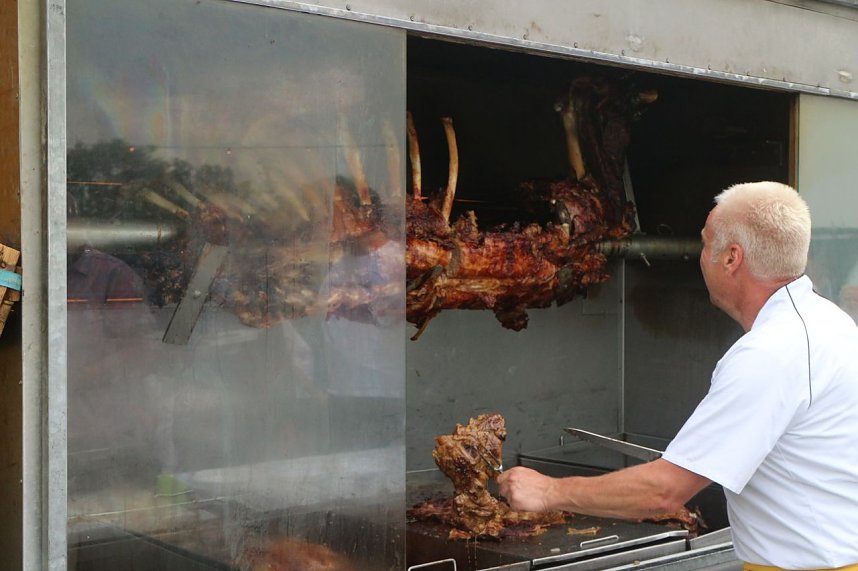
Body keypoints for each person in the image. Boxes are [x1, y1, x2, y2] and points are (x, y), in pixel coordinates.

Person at [498, 181, 858, 570]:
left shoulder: (771, 353)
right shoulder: (828, 322)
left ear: (732, 258)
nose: (699, 257)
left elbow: (664, 493)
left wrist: (547, 491)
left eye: (704, 244)